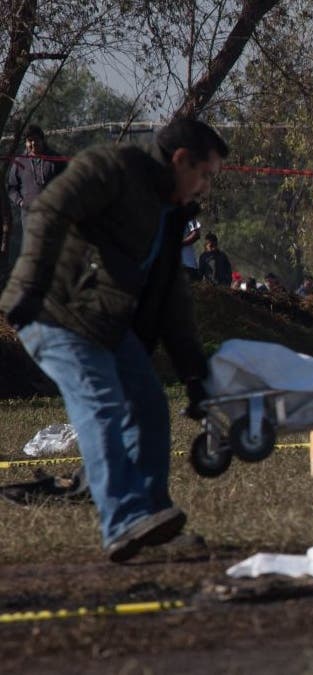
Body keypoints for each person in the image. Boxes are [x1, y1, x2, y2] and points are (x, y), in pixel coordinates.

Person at [0, 118, 229, 562]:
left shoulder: (170, 212)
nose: (204, 188)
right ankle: (122, 521)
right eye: (205, 175)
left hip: (103, 325)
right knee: (101, 407)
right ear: (181, 160)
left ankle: (153, 519)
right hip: (53, 312)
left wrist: (195, 375)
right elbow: (49, 208)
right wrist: (26, 289)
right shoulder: (113, 167)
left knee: (148, 406)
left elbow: (171, 300)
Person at [5, 125, 66, 269]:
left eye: (36, 140)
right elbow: (12, 187)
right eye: (29, 140)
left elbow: (68, 183)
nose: (32, 144)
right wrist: (20, 202)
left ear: (43, 140)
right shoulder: (19, 161)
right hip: (29, 217)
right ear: (26, 142)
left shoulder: (56, 159)